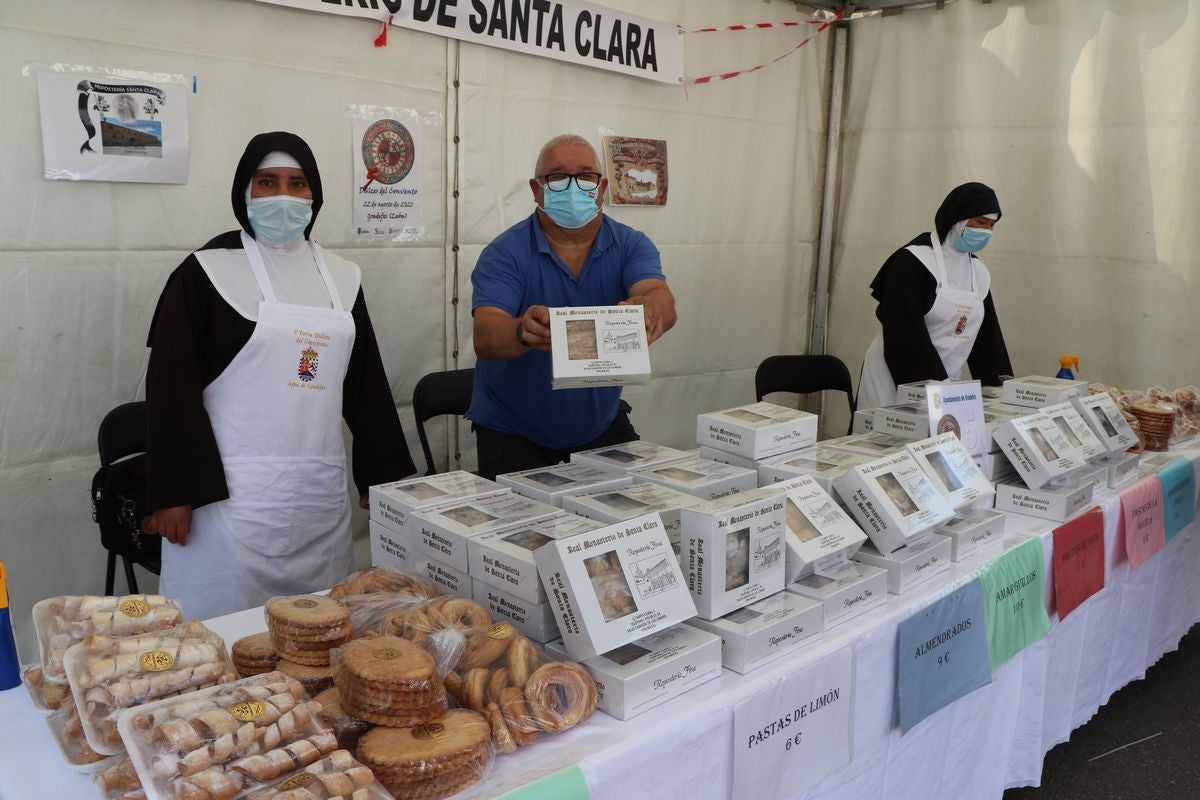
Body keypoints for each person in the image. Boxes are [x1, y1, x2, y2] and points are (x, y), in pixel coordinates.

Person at [141, 131, 416, 619]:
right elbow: (170, 387)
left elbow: (366, 383)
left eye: (298, 183)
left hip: (316, 497)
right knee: (221, 643)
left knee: (318, 633)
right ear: (244, 192)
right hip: (224, 507)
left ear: (315, 195)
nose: (284, 196)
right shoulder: (204, 272)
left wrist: (385, 477)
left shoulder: (342, 276)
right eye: (267, 182)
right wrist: (172, 492)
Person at [467, 134, 676, 480]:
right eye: (558, 177)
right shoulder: (504, 254)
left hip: (601, 425)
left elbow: (660, 297)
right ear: (537, 190)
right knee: (529, 535)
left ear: (603, 187)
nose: (574, 187)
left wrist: (651, 309)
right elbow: (486, 336)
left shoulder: (631, 245)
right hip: (515, 431)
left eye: (586, 176)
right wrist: (522, 331)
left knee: (631, 520)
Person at [857, 181, 1013, 411]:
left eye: (992, 225)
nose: (986, 232)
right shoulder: (912, 262)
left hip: (945, 382)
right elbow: (903, 331)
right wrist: (935, 388)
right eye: (981, 222)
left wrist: (999, 387)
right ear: (958, 218)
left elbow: (988, 337)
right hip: (898, 374)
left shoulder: (978, 272)